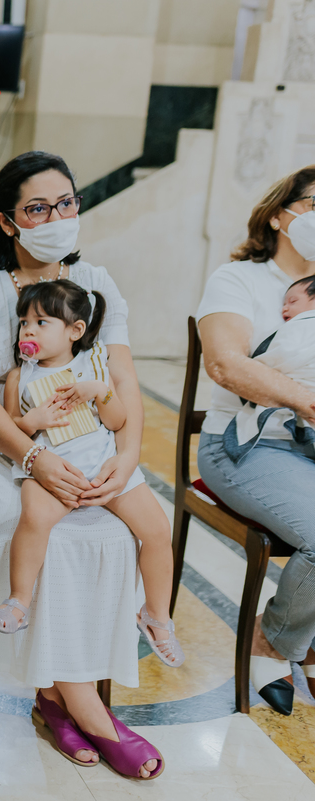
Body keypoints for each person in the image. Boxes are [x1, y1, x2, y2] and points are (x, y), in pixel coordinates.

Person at [0, 151, 163, 779]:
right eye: (38, 208)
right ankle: (83, 705)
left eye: (67, 202)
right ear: (8, 220)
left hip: (74, 438)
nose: (57, 216)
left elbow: (123, 382)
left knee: (104, 526)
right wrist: (31, 455)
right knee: (14, 514)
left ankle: (53, 694)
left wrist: (125, 460)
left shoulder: (98, 283)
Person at [0, 280, 183, 669]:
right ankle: (18, 600)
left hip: (103, 463)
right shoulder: (17, 377)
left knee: (158, 532)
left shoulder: (93, 364)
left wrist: (98, 391)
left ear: (75, 331)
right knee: (34, 520)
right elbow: (8, 428)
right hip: (52, 468)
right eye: (24, 322)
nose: (28, 330)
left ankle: (157, 616)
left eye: (42, 322)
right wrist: (32, 420)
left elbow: (118, 418)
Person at [195, 166, 315, 716]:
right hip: (244, 445)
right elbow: (225, 363)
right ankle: (274, 640)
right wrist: (304, 399)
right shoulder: (238, 279)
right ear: (278, 215)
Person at [223, 274, 315, 463]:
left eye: (293, 301)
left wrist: (259, 365)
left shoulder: (305, 323)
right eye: (283, 303)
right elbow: (261, 371)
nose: (284, 308)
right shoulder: (297, 327)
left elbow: (269, 362)